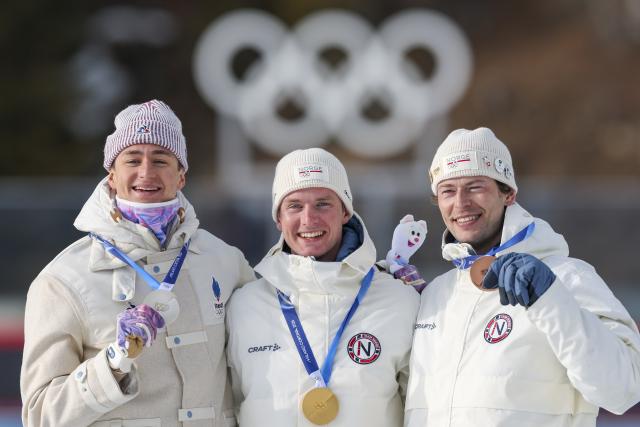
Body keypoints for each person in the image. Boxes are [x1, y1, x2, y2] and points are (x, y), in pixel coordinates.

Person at [20, 100, 255, 426]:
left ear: (181, 176)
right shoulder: (63, 281)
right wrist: (114, 361)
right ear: (112, 176)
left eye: (160, 159)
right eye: (133, 159)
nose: (146, 172)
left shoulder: (225, 262)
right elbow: (41, 414)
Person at [404, 127, 640, 426]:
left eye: (475, 186)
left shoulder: (567, 278)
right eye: (447, 190)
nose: (461, 202)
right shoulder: (436, 295)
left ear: (509, 194)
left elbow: (622, 390)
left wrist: (551, 300)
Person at [226, 148, 419, 426]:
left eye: (323, 204)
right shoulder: (244, 307)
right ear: (278, 218)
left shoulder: (399, 300)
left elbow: (424, 409)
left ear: (345, 211)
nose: (309, 219)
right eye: (294, 206)